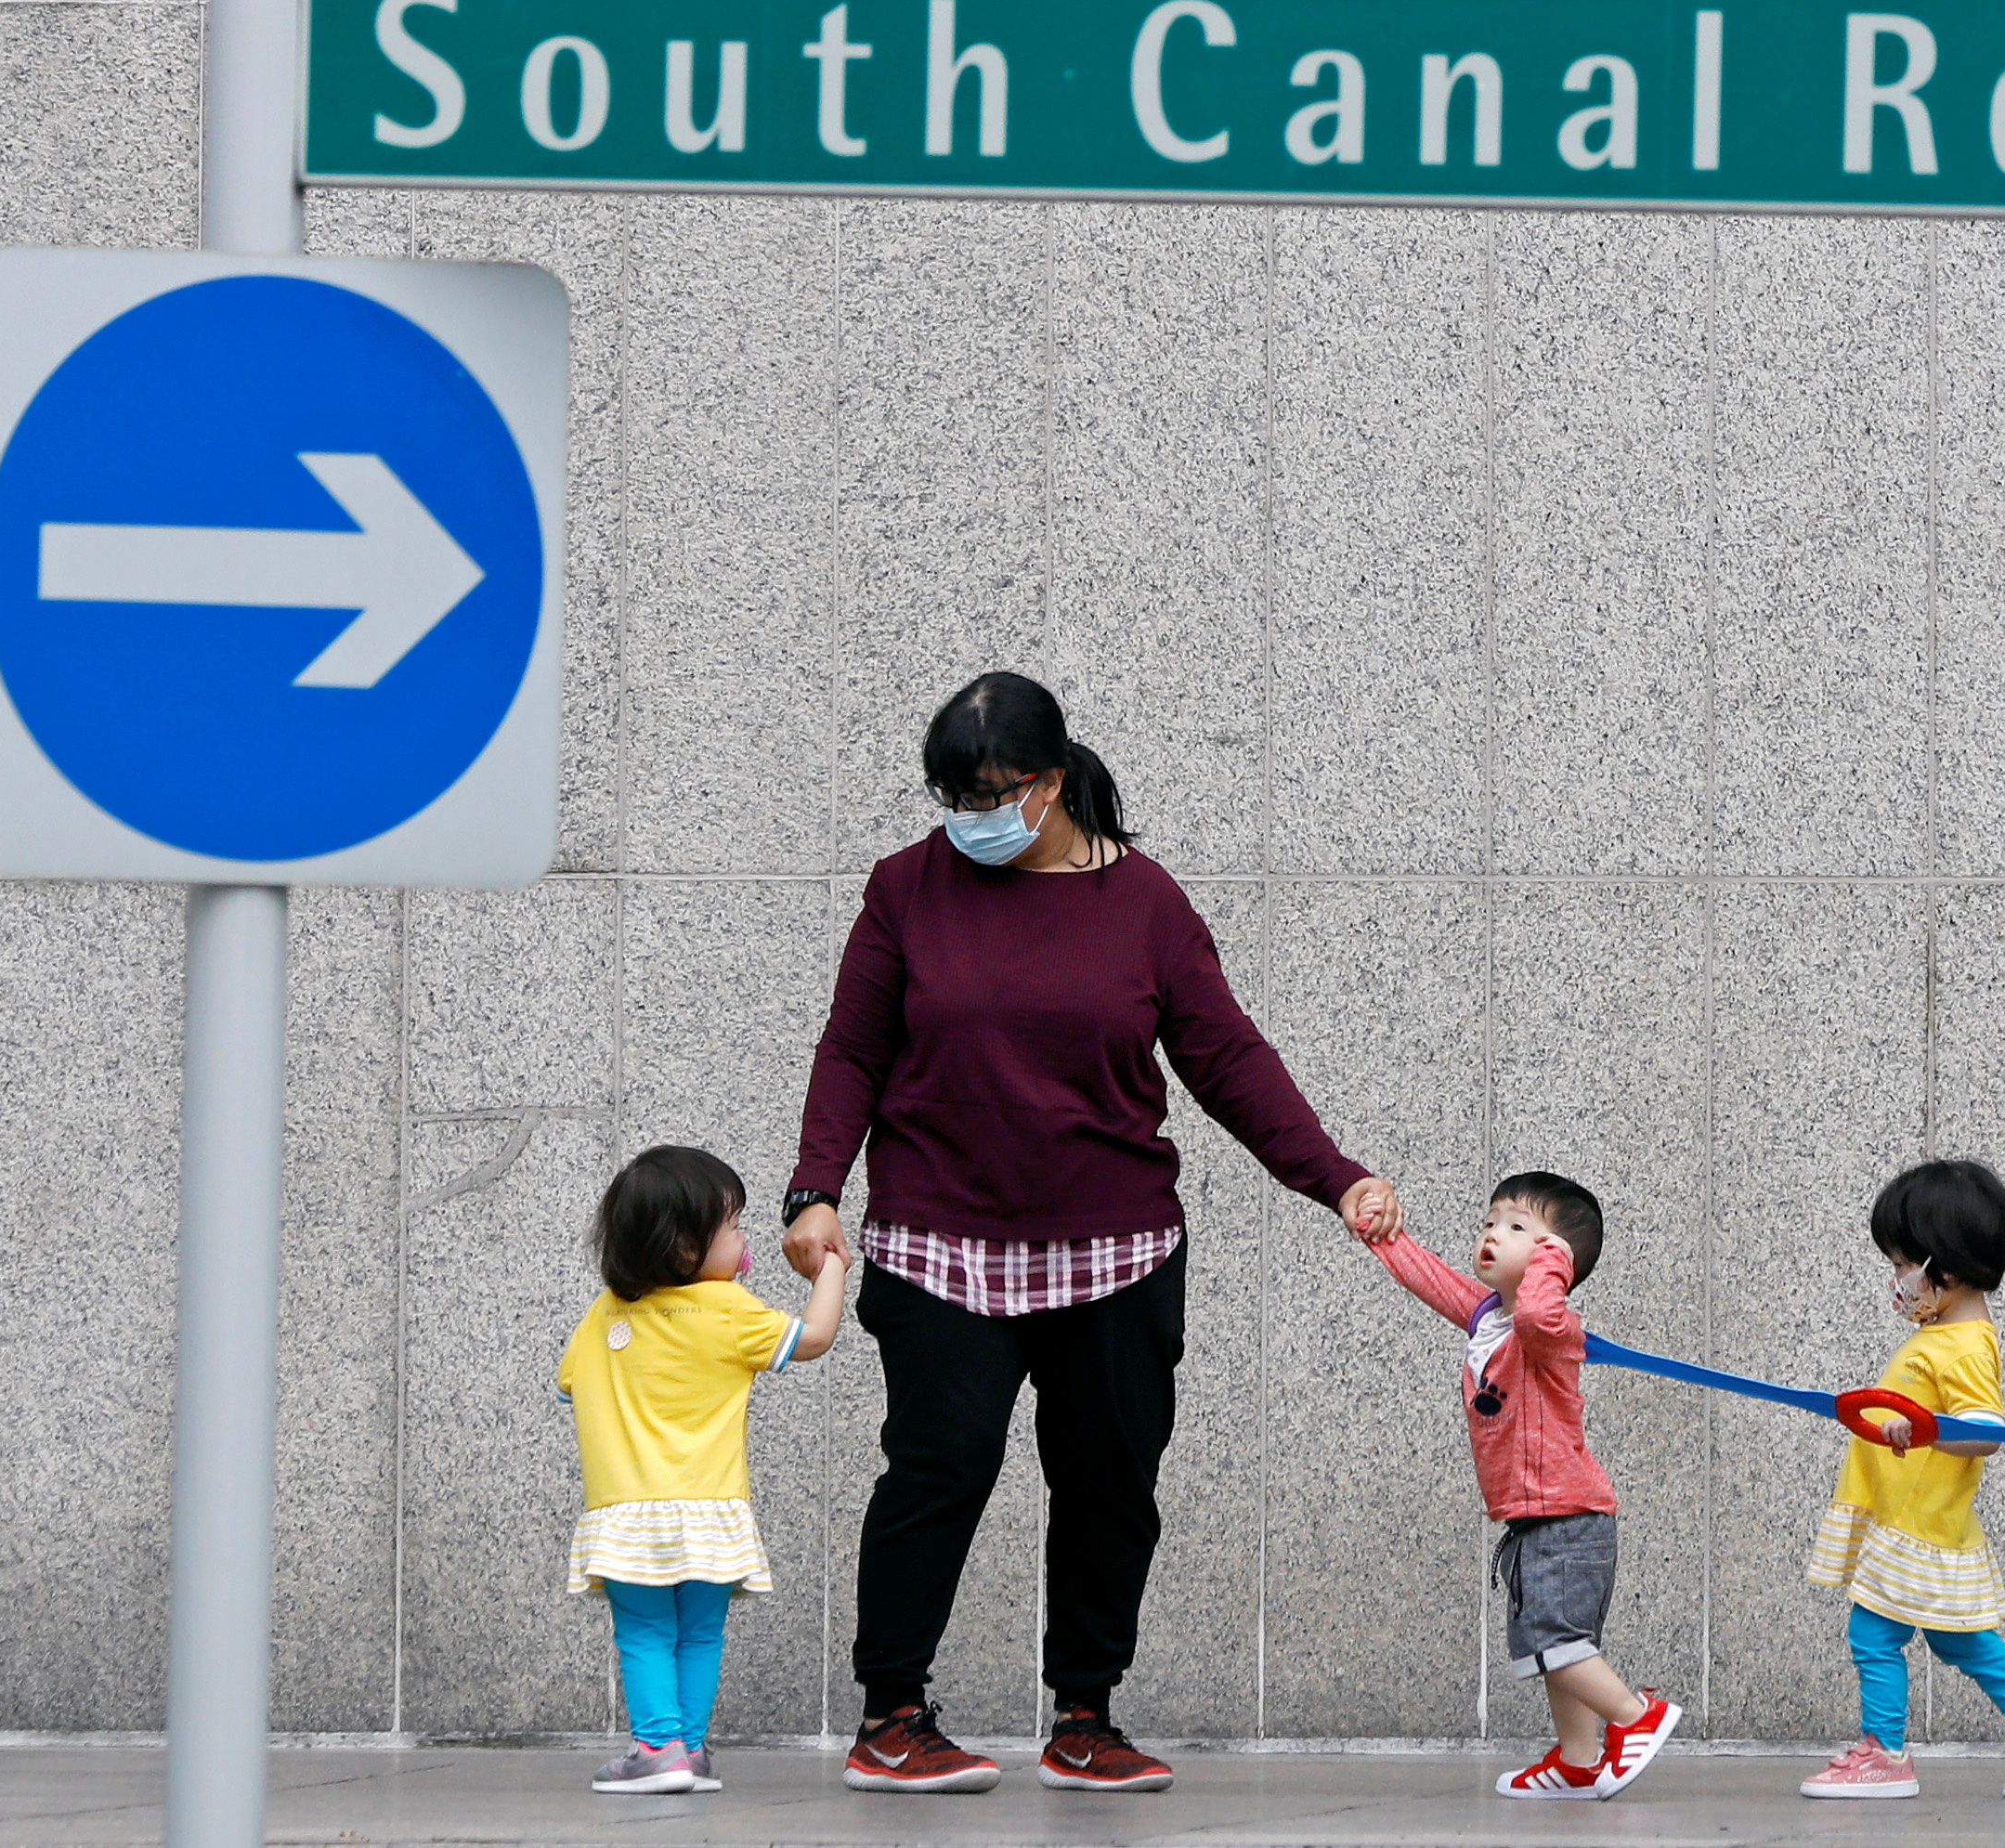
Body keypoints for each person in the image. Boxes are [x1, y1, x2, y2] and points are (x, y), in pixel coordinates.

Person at [783, 671, 1400, 1796]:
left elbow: (1227, 1058)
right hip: (942, 1246)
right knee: (938, 1468)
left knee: (1109, 1480)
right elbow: (851, 1052)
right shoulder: (902, 891)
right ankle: (891, 1713)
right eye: (950, 793)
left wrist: (1334, 1178)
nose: (968, 812)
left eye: (992, 790)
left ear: (1051, 781)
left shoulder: (1145, 904)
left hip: (1115, 1250)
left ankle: (1084, 1713)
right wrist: (813, 1188)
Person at [1366, 1171, 1678, 1798]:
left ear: (1550, 1260)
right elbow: (1428, 1277)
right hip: (1536, 1516)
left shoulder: (1548, 1327)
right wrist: (1377, 1233)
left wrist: (1552, 1257)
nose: (1491, 1233)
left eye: (1516, 1226)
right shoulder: (1488, 1316)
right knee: (1557, 1649)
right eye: (1489, 1220)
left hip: (1567, 1514)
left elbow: (1538, 1308)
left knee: (1552, 1642)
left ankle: (1635, 1714)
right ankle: (1578, 1758)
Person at [557, 1142, 848, 1797]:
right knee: (700, 1631)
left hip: (627, 1513)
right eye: (735, 1225)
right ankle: (685, 1745)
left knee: (645, 1629)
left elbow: (568, 1384)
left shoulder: (602, 1315)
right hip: (712, 1510)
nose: (744, 1239)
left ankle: (657, 1747)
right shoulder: (729, 1309)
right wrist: (828, 1270)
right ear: (685, 1246)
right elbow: (815, 1336)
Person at [1801, 1159, 2005, 1801]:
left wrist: (1928, 1429)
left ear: (1948, 1268)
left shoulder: (1964, 1344)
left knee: (1873, 1632)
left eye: (1903, 1261)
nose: (1896, 1278)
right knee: (1958, 1639)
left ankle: (1884, 1751)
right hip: (1910, 1517)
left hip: (1919, 1523)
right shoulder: (1942, 1332)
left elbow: (1986, 1429)